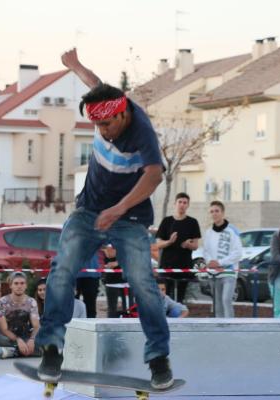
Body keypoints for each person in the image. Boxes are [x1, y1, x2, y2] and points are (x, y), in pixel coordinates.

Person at [36, 48, 173, 390]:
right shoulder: (107, 102)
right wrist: (75, 65)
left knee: (142, 282)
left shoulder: (142, 131)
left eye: (108, 125)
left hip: (130, 217)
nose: (105, 131)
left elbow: (154, 176)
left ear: (123, 114)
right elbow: (95, 84)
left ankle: (158, 358)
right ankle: (52, 347)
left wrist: (119, 208)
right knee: (62, 270)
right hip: (88, 211)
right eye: (98, 126)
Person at [156, 193, 201, 304]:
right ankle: (166, 320)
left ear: (188, 205)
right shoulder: (167, 221)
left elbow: (195, 245)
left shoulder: (192, 222)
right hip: (167, 266)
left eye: (185, 203)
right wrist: (169, 242)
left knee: (180, 299)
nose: (182, 205)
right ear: (174, 204)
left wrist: (188, 245)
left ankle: (178, 320)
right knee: (166, 298)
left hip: (184, 266)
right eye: (180, 202)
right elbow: (158, 244)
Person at [202, 201, 242, 318]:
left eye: (217, 211)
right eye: (212, 211)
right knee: (217, 305)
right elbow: (206, 251)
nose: (214, 214)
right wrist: (211, 263)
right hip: (213, 274)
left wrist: (220, 263)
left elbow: (238, 253)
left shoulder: (232, 231)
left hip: (229, 272)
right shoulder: (208, 232)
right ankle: (219, 331)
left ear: (223, 213)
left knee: (226, 300)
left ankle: (230, 329)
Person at [0, 272, 40, 358]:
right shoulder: (1, 302)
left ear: (26, 285)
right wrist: (18, 340)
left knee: (43, 337)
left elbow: (36, 326)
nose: (19, 286)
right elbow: (3, 329)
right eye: (16, 283)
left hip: (25, 336)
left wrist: (32, 340)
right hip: (6, 338)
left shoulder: (31, 302)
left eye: (22, 283)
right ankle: (23, 351)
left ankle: (10, 352)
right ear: (11, 286)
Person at [75, 253, 101, 318]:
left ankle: (90, 327)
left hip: (91, 273)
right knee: (71, 305)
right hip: (73, 273)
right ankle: (70, 326)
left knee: (90, 307)